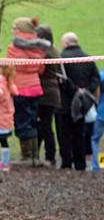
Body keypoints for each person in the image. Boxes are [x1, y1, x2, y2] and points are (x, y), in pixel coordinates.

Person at [6, 17, 47, 165]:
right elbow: (41, 69)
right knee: (33, 121)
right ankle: (35, 157)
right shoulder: (40, 47)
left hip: (20, 89)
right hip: (36, 88)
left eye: (14, 28)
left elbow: (10, 67)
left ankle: (27, 157)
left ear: (20, 30)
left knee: (22, 122)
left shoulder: (13, 47)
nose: (12, 31)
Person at [56, 32, 100, 170]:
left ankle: (67, 162)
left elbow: (60, 81)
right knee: (80, 133)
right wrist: (85, 91)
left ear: (65, 43)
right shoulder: (89, 58)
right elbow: (95, 79)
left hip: (64, 103)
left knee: (64, 134)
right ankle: (80, 163)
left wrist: (74, 90)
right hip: (83, 105)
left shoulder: (61, 59)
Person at [34, 24, 62, 167]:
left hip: (45, 93)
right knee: (44, 125)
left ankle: (48, 156)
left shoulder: (44, 52)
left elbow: (38, 70)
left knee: (43, 126)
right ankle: (43, 156)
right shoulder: (54, 50)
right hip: (52, 93)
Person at [91, 69, 104, 172]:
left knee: (95, 140)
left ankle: (97, 166)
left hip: (101, 112)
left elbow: (97, 92)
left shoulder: (101, 75)